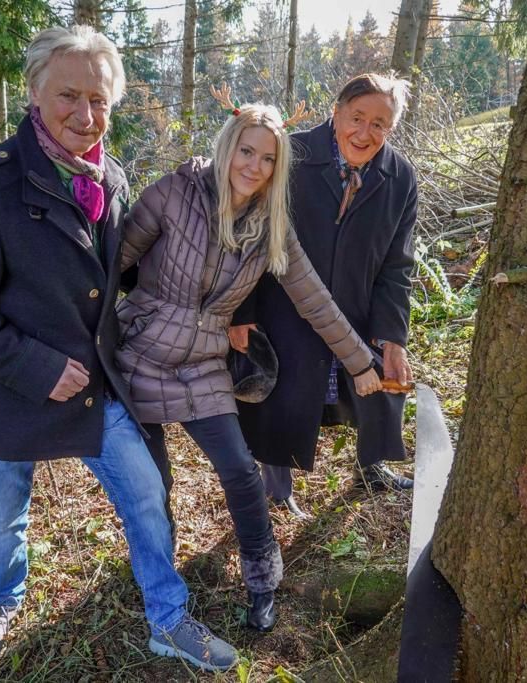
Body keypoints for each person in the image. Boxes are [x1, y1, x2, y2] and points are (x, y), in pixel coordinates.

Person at [0, 25, 237, 673]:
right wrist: (35, 366)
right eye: (69, 95)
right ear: (35, 92)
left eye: (99, 100)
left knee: (146, 493)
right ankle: (2, 599)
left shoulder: (110, 178)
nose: (85, 116)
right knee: (3, 518)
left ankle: (167, 617)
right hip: (3, 393)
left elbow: (116, 274)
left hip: (94, 385)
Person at [116, 94, 382, 632]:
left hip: (204, 362)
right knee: (152, 484)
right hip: (139, 354)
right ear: (227, 148)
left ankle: (262, 579)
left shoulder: (270, 229)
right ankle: (158, 570)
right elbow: (110, 265)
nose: (254, 166)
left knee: (239, 469)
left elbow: (316, 301)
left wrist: (360, 362)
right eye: (246, 151)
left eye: (267, 159)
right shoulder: (174, 193)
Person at [230, 73, 418, 517]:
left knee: (374, 384)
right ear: (336, 112)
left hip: (358, 308)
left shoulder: (399, 177)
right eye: (357, 117)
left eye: (379, 124)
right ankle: (276, 489)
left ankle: (371, 467)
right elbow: (246, 235)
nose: (365, 133)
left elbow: (397, 265)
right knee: (282, 395)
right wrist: (242, 311)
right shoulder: (291, 155)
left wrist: (393, 336)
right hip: (283, 307)